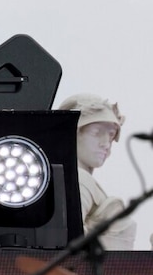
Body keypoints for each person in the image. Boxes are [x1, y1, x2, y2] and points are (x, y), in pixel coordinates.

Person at [58, 93, 137, 250]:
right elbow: (71, 236)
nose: (105, 143)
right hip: (91, 271)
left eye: (110, 135)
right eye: (96, 133)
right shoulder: (80, 179)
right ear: (71, 134)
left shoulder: (81, 179)